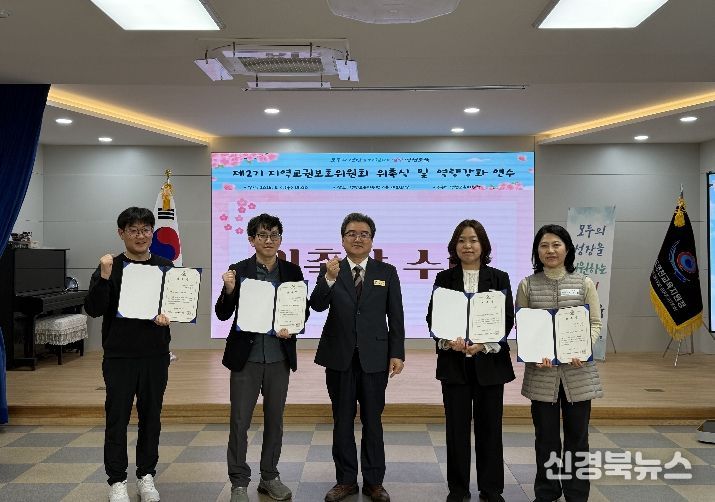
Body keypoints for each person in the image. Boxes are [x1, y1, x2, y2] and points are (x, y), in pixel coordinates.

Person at [310, 213, 406, 502]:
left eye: (364, 234)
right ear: (343, 239)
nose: (358, 238)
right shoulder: (332, 269)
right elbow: (316, 305)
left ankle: (374, 482)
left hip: (375, 357)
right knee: (342, 419)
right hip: (339, 356)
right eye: (351, 233)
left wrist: (397, 353)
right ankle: (346, 480)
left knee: (373, 420)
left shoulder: (386, 271)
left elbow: (396, 316)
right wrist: (328, 278)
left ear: (372, 240)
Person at [214, 213, 308, 502]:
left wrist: (292, 327)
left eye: (274, 235)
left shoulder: (292, 271)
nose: (269, 240)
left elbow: (301, 312)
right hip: (247, 358)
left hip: (278, 357)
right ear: (251, 239)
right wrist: (229, 290)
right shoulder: (238, 270)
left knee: (275, 421)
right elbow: (222, 313)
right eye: (263, 235)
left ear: (280, 239)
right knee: (239, 421)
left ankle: (269, 476)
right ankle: (239, 482)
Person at [84, 207, 173, 502]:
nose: (140, 235)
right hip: (119, 356)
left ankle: (146, 476)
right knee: (117, 418)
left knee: (151, 418)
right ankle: (117, 480)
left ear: (152, 233)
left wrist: (169, 315)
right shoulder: (110, 266)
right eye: (133, 230)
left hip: (155, 355)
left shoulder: (166, 266)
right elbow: (94, 309)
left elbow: (177, 306)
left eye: (146, 229)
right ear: (121, 233)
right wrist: (104, 277)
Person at [426, 220, 515, 502]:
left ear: (483, 245)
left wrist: (483, 345)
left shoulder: (499, 278)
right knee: (456, 431)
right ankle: (458, 489)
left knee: (491, 430)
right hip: (454, 365)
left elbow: (507, 319)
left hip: (490, 365)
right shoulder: (444, 278)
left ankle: (491, 489)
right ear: (454, 246)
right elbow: (433, 317)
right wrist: (448, 341)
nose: (468, 245)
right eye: (462, 240)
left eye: (474, 240)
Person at [516, 224, 603, 502]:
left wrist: (583, 348)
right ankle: (547, 492)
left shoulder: (584, 283)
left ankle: (576, 494)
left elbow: (595, 323)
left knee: (578, 438)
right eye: (544, 245)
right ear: (537, 251)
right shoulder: (527, 285)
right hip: (542, 374)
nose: (550, 250)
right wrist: (534, 353)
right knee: (546, 438)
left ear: (567, 249)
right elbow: (523, 327)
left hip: (579, 373)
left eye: (556, 245)